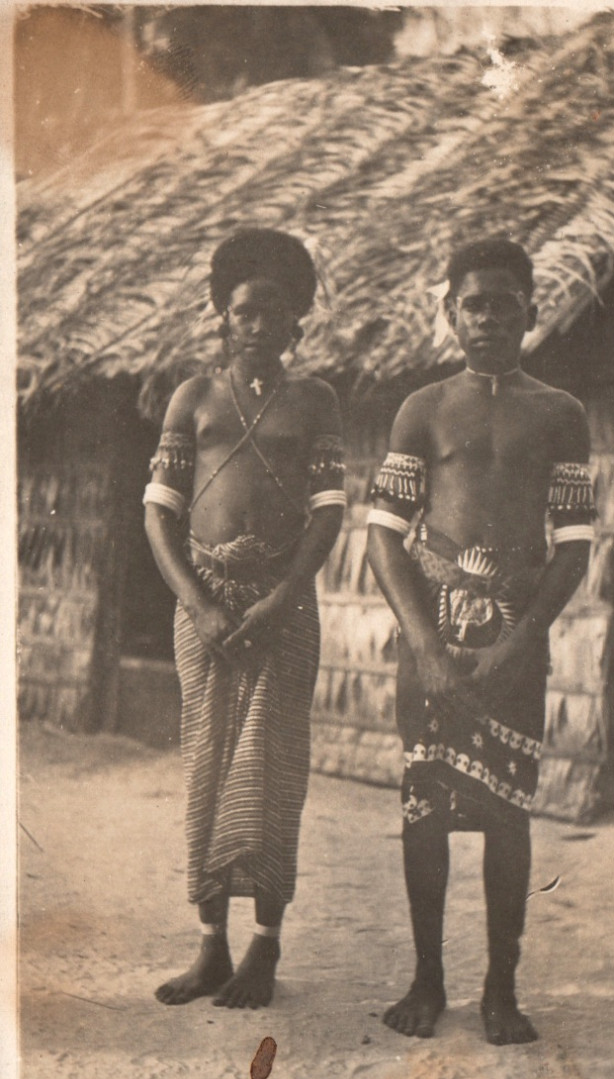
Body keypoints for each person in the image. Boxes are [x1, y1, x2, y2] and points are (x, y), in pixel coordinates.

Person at [366, 238, 596, 1044]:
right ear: (450, 313)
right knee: (424, 813)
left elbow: (573, 544)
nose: (490, 316)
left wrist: (522, 640)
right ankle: (427, 980)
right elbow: (385, 538)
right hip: (429, 644)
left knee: (506, 817)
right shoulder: (421, 409)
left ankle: (502, 987)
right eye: (474, 303)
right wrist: (425, 643)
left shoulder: (562, 413)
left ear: (532, 310)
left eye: (505, 301)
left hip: (514, 646)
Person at [144, 228, 345, 1008]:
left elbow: (329, 513)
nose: (257, 326)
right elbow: (159, 516)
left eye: (274, 314)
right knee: (206, 766)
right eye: (242, 313)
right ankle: (210, 948)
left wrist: (282, 594)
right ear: (220, 317)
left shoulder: (316, 400)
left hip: (283, 606)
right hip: (205, 610)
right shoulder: (192, 398)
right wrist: (197, 602)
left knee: (272, 771)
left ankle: (264, 946)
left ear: (298, 323)